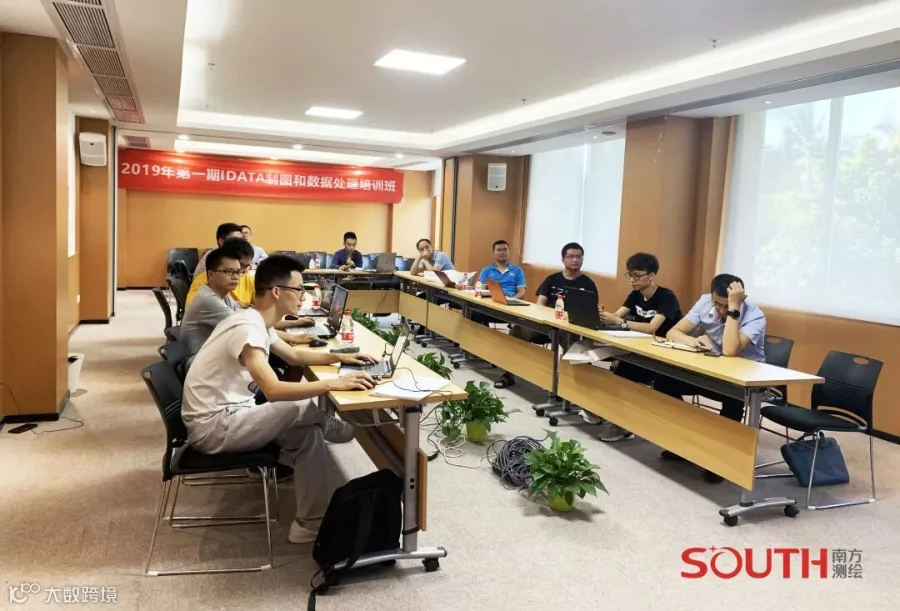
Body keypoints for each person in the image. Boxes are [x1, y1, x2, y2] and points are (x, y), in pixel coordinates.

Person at [181, 255, 378, 543]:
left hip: (235, 415)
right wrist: (334, 384)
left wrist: (341, 357)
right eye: (298, 289)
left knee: (308, 435)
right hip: (213, 427)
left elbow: (294, 355)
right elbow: (272, 390)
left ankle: (309, 524)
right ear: (276, 291)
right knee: (298, 406)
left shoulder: (256, 320)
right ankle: (336, 426)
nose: (303, 296)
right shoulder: (247, 328)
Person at [655, 273, 766, 483]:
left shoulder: (755, 315)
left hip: (744, 382)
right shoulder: (705, 301)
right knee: (663, 382)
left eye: (726, 306)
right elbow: (673, 332)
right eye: (718, 304)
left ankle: (719, 459)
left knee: (733, 399)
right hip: (713, 371)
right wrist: (692, 340)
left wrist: (734, 309)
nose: (721, 310)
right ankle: (687, 440)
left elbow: (730, 350)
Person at [593, 253, 683, 441]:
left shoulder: (666, 297)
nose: (632, 280)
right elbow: (617, 316)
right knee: (620, 373)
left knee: (626, 374)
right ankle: (611, 416)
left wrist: (620, 322)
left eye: (637, 275)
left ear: (651, 275)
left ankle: (623, 423)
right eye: (630, 275)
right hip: (641, 348)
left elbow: (652, 328)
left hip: (664, 353)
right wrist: (603, 316)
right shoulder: (635, 295)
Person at [494, 242, 596, 389]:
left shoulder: (588, 284)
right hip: (545, 324)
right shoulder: (552, 279)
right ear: (563, 260)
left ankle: (570, 387)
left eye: (579, 257)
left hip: (569, 327)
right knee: (517, 331)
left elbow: (589, 312)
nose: (575, 260)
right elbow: (540, 304)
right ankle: (508, 374)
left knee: (574, 347)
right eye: (571, 256)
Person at [186, 238, 317, 343]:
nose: (238, 274)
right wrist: (293, 337)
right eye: (230, 270)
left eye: (242, 268)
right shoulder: (208, 297)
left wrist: (294, 323)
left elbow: (258, 317)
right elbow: (250, 325)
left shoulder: (224, 295)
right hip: (199, 358)